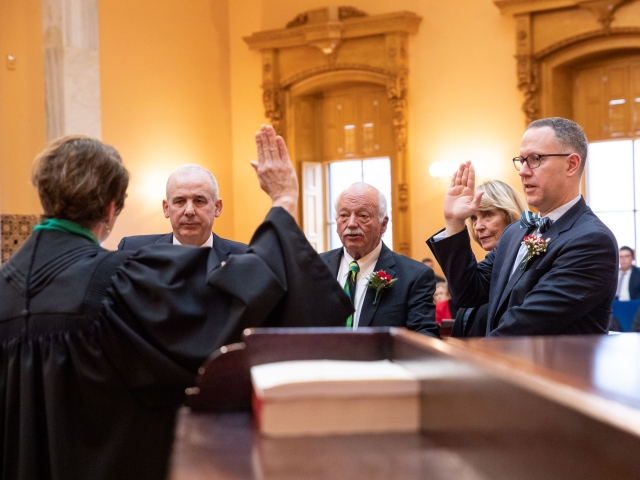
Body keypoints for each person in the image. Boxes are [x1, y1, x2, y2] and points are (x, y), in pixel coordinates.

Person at [0, 126, 352, 480]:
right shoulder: (114, 281)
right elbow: (233, 301)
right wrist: (284, 200)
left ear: (44, 196)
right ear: (110, 208)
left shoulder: (5, 284)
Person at [428, 117, 618, 336]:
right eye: (521, 160)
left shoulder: (591, 240)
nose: (523, 171)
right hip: (504, 365)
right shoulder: (515, 232)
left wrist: (467, 361)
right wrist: (454, 221)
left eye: (535, 159)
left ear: (571, 164)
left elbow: (525, 326)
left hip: (550, 370)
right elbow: (468, 293)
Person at [319, 182, 440, 338]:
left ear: (383, 224)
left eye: (363, 216)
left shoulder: (414, 276)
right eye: (344, 215)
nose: (351, 224)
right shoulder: (314, 268)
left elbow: (425, 338)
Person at [117, 164, 246, 260]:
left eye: (199, 201)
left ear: (217, 207)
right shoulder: (133, 251)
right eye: (180, 201)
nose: (189, 211)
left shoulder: (244, 257)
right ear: (166, 208)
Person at [451, 180, 527, 337]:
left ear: (510, 214)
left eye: (488, 215)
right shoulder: (479, 276)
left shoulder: (524, 269)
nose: (478, 226)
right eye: (473, 218)